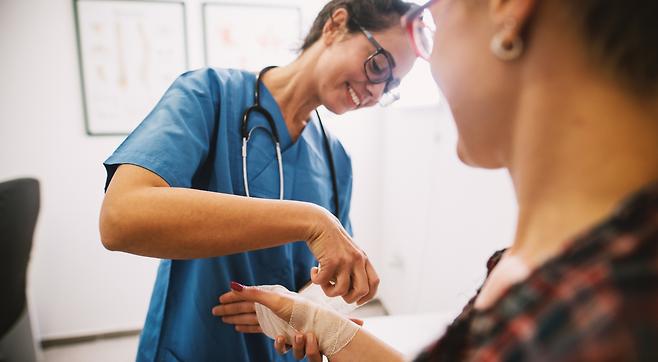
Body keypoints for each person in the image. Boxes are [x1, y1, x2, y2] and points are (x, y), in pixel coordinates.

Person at [215, 0, 658, 360]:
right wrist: (320, 324)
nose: (375, 93)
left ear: (509, 8)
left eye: (432, 20)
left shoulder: (596, 316)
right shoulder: (566, 274)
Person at [98, 0, 417, 360]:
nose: (376, 91)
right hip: (195, 346)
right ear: (336, 25)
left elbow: (330, 282)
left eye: (389, 86)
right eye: (379, 66)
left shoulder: (335, 157)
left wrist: (303, 312)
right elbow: (120, 219)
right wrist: (310, 220)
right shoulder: (209, 95)